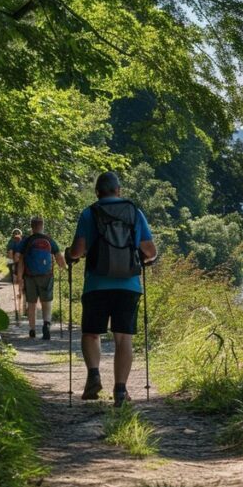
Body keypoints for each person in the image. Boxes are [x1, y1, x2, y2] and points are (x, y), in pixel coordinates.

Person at [67, 172, 156, 407]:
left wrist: (69, 254)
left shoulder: (89, 213)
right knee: (123, 337)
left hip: (96, 284)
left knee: (91, 332)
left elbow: (77, 251)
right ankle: (120, 390)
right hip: (128, 285)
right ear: (119, 190)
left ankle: (94, 375)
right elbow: (151, 251)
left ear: (97, 191)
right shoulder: (134, 212)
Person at [15, 216, 67, 340]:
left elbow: (20, 260)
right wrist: (65, 268)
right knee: (46, 301)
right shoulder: (49, 240)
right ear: (42, 225)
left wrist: (19, 278)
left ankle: (32, 330)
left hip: (30, 277)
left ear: (31, 226)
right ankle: (46, 325)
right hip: (46, 276)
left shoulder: (26, 241)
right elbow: (60, 259)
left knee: (31, 303)